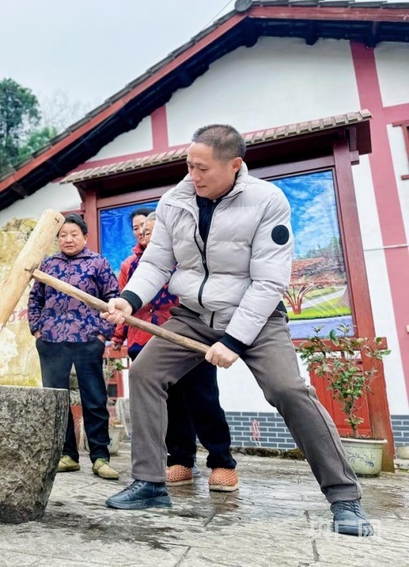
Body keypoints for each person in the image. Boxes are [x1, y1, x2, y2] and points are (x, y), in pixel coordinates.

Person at [102, 124, 373, 537]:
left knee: (287, 389)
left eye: (202, 168)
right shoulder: (175, 201)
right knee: (145, 373)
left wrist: (233, 341)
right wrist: (129, 299)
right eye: (189, 165)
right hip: (194, 314)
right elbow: (156, 262)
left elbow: (269, 282)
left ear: (234, 165)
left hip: (257, 317)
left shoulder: (267, 201)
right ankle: (150, 483)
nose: (193, 175)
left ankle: (344, 496)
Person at [111, 210, 239, 491]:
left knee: (202, 398)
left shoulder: (188, 261)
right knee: (169, 405)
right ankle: (180, 460)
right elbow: (125, 300)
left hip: (190, 335)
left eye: (153, 231)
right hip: (145, 341)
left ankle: (222, 463)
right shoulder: (132, 266)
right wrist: (118, 338)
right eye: (143, 232)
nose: (147, 236)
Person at [29, 213, 121, 480]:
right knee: (57, 400)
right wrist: (38, 331)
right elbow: (35, 299)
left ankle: (100, 456)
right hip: (52, 341)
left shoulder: (98, 263)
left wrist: (102, 335)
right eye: (63, 235)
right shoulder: (48, 265)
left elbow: (112, 299)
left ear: (84, 237)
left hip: (87, 340)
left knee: (94, 399)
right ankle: (67, 454)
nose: (68, 239)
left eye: (73, 234)